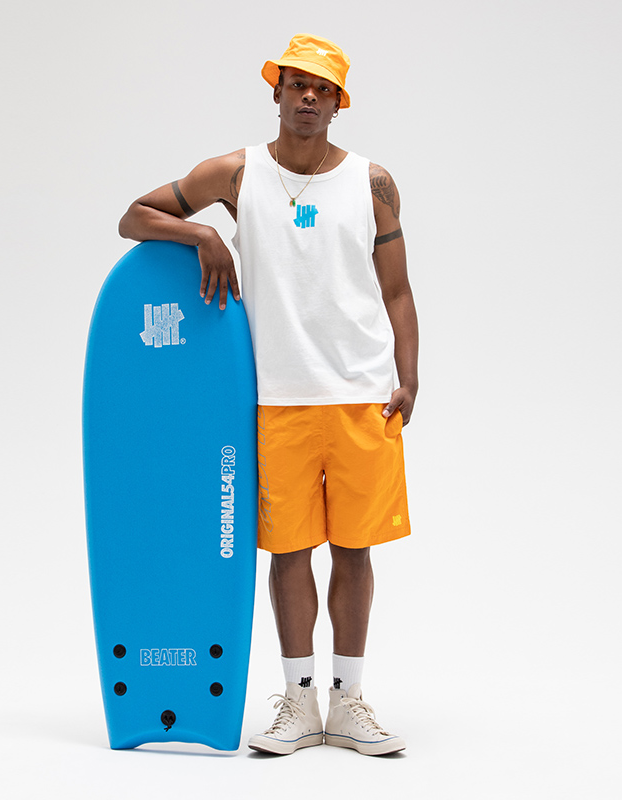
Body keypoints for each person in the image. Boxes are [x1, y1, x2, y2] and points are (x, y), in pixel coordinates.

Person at [119, 33, 418, 757]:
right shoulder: (236, 173)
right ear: (277, 91)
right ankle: (298, 701)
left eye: (323, 88)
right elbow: (133, 217)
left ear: (338, 103)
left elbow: (398, 290)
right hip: (275, 396)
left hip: (360, 395)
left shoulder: (373, 183)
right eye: (297, 83)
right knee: (288, 553)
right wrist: (202, 236)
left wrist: (409, 376)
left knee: (353, 550)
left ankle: (349, 702)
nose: (308, 96)